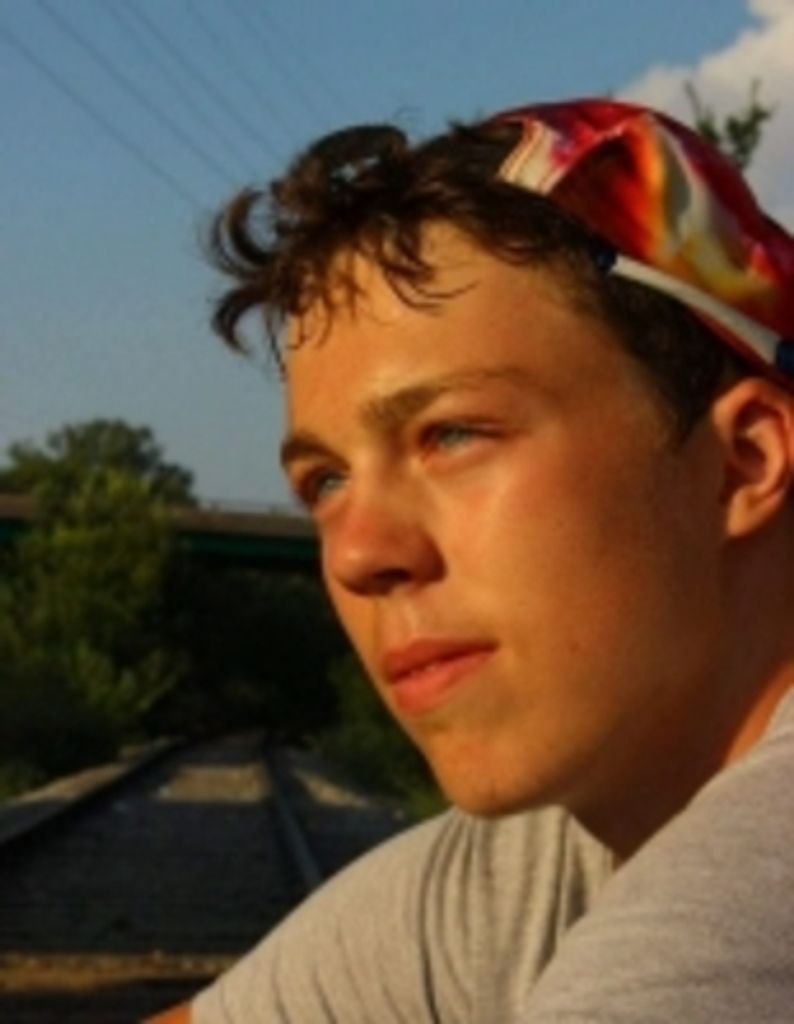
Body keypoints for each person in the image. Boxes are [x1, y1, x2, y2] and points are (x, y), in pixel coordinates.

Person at [148, 98, 794, 1022]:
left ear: (744, 464)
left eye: (452, 434)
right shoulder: (549, 860)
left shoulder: (741, 928)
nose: (358, 552)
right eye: (325, 481)